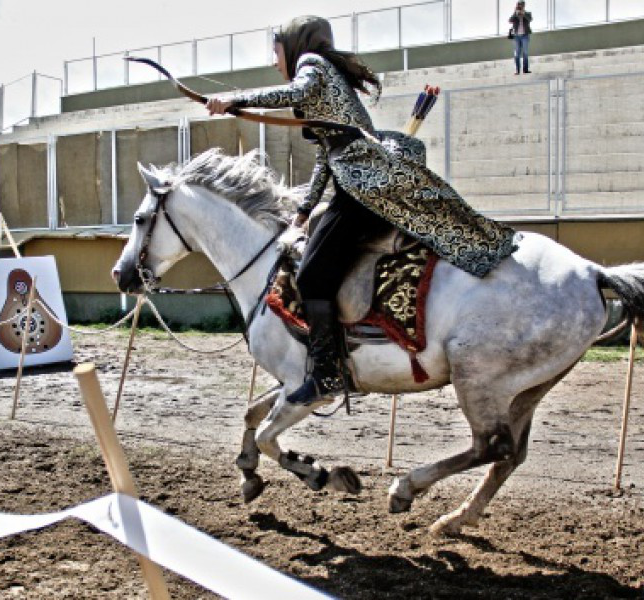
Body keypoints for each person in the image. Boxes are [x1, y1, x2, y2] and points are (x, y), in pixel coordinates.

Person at [207, 16, 518, 406]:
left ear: (294, 43)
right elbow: (328, 157)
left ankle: (326, 374)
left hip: (360, 192)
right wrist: (303, 214)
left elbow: (293, 93)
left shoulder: (312, 65)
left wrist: (235, 101)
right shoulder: (328, 79)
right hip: (359, 187)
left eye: (275, 51)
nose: (274, 61)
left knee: (312, 279)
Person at [509, 1, 533, 74]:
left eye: (521, 5)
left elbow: (530, 19)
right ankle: (517, 70)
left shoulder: (528, 13)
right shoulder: (515, 14)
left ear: (524, 6)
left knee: (525, 53)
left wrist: (523, 13)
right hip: (516, 36)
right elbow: (510, 20)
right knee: (517, 54)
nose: (520, 6)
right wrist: (515, 12)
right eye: (518, 5)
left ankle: (525, 69)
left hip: (525, 36)